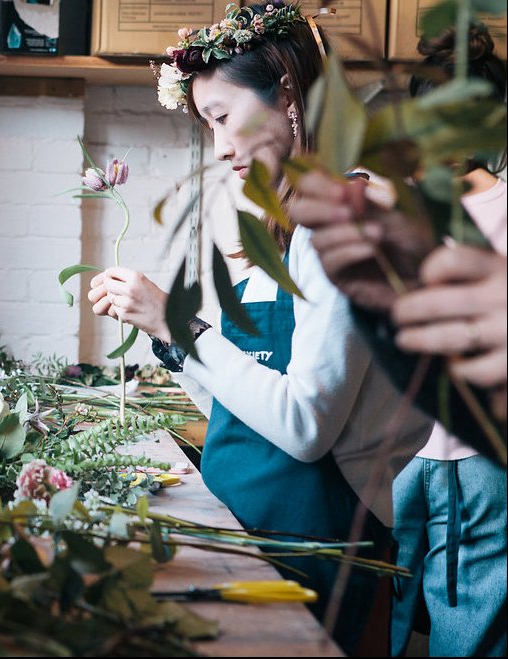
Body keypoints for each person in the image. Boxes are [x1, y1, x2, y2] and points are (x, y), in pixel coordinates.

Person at [89, 2, 433, 653]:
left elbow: (304, 425)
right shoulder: (292, 224)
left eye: (221, 118)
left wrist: (176, 322)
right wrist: (170, 341)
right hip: (257, 532)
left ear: (285, 93)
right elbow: (247, 401)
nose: (218, 147)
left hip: (315, 546)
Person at [288, 25, 507, 658]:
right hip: (477, 455)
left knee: (375, 625)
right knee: (470, 635)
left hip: (387, 456)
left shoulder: (380, 199)